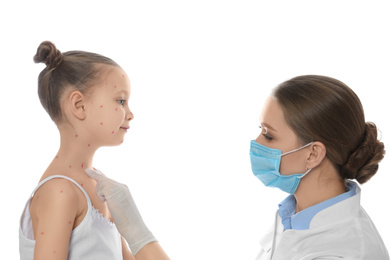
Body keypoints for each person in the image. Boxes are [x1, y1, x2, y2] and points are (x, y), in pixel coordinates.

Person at [90, 75, 389, 260]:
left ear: (312, 154)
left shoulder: (345, 252)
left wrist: (138, 234)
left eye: (269, 135)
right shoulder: (295, 215)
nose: (256, 142)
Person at [19, 41, 169, 260]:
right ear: (79, 105)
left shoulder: (100, 187)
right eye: (121, 100)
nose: (130, 113)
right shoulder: (60, 192)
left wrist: (137, 232)